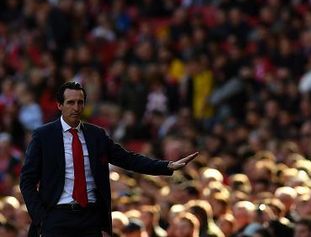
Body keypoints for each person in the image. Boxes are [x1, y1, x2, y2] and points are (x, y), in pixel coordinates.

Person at [20, 81, 199, 237]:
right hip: (56, 216)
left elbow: (128, 159)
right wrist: (41, 217)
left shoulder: (96, 135)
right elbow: (27, 180)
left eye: (80, 103)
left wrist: (167, 165)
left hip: (90, 217)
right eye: (70, 102)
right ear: (60, 105)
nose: (76, 107)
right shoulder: (43, 136)